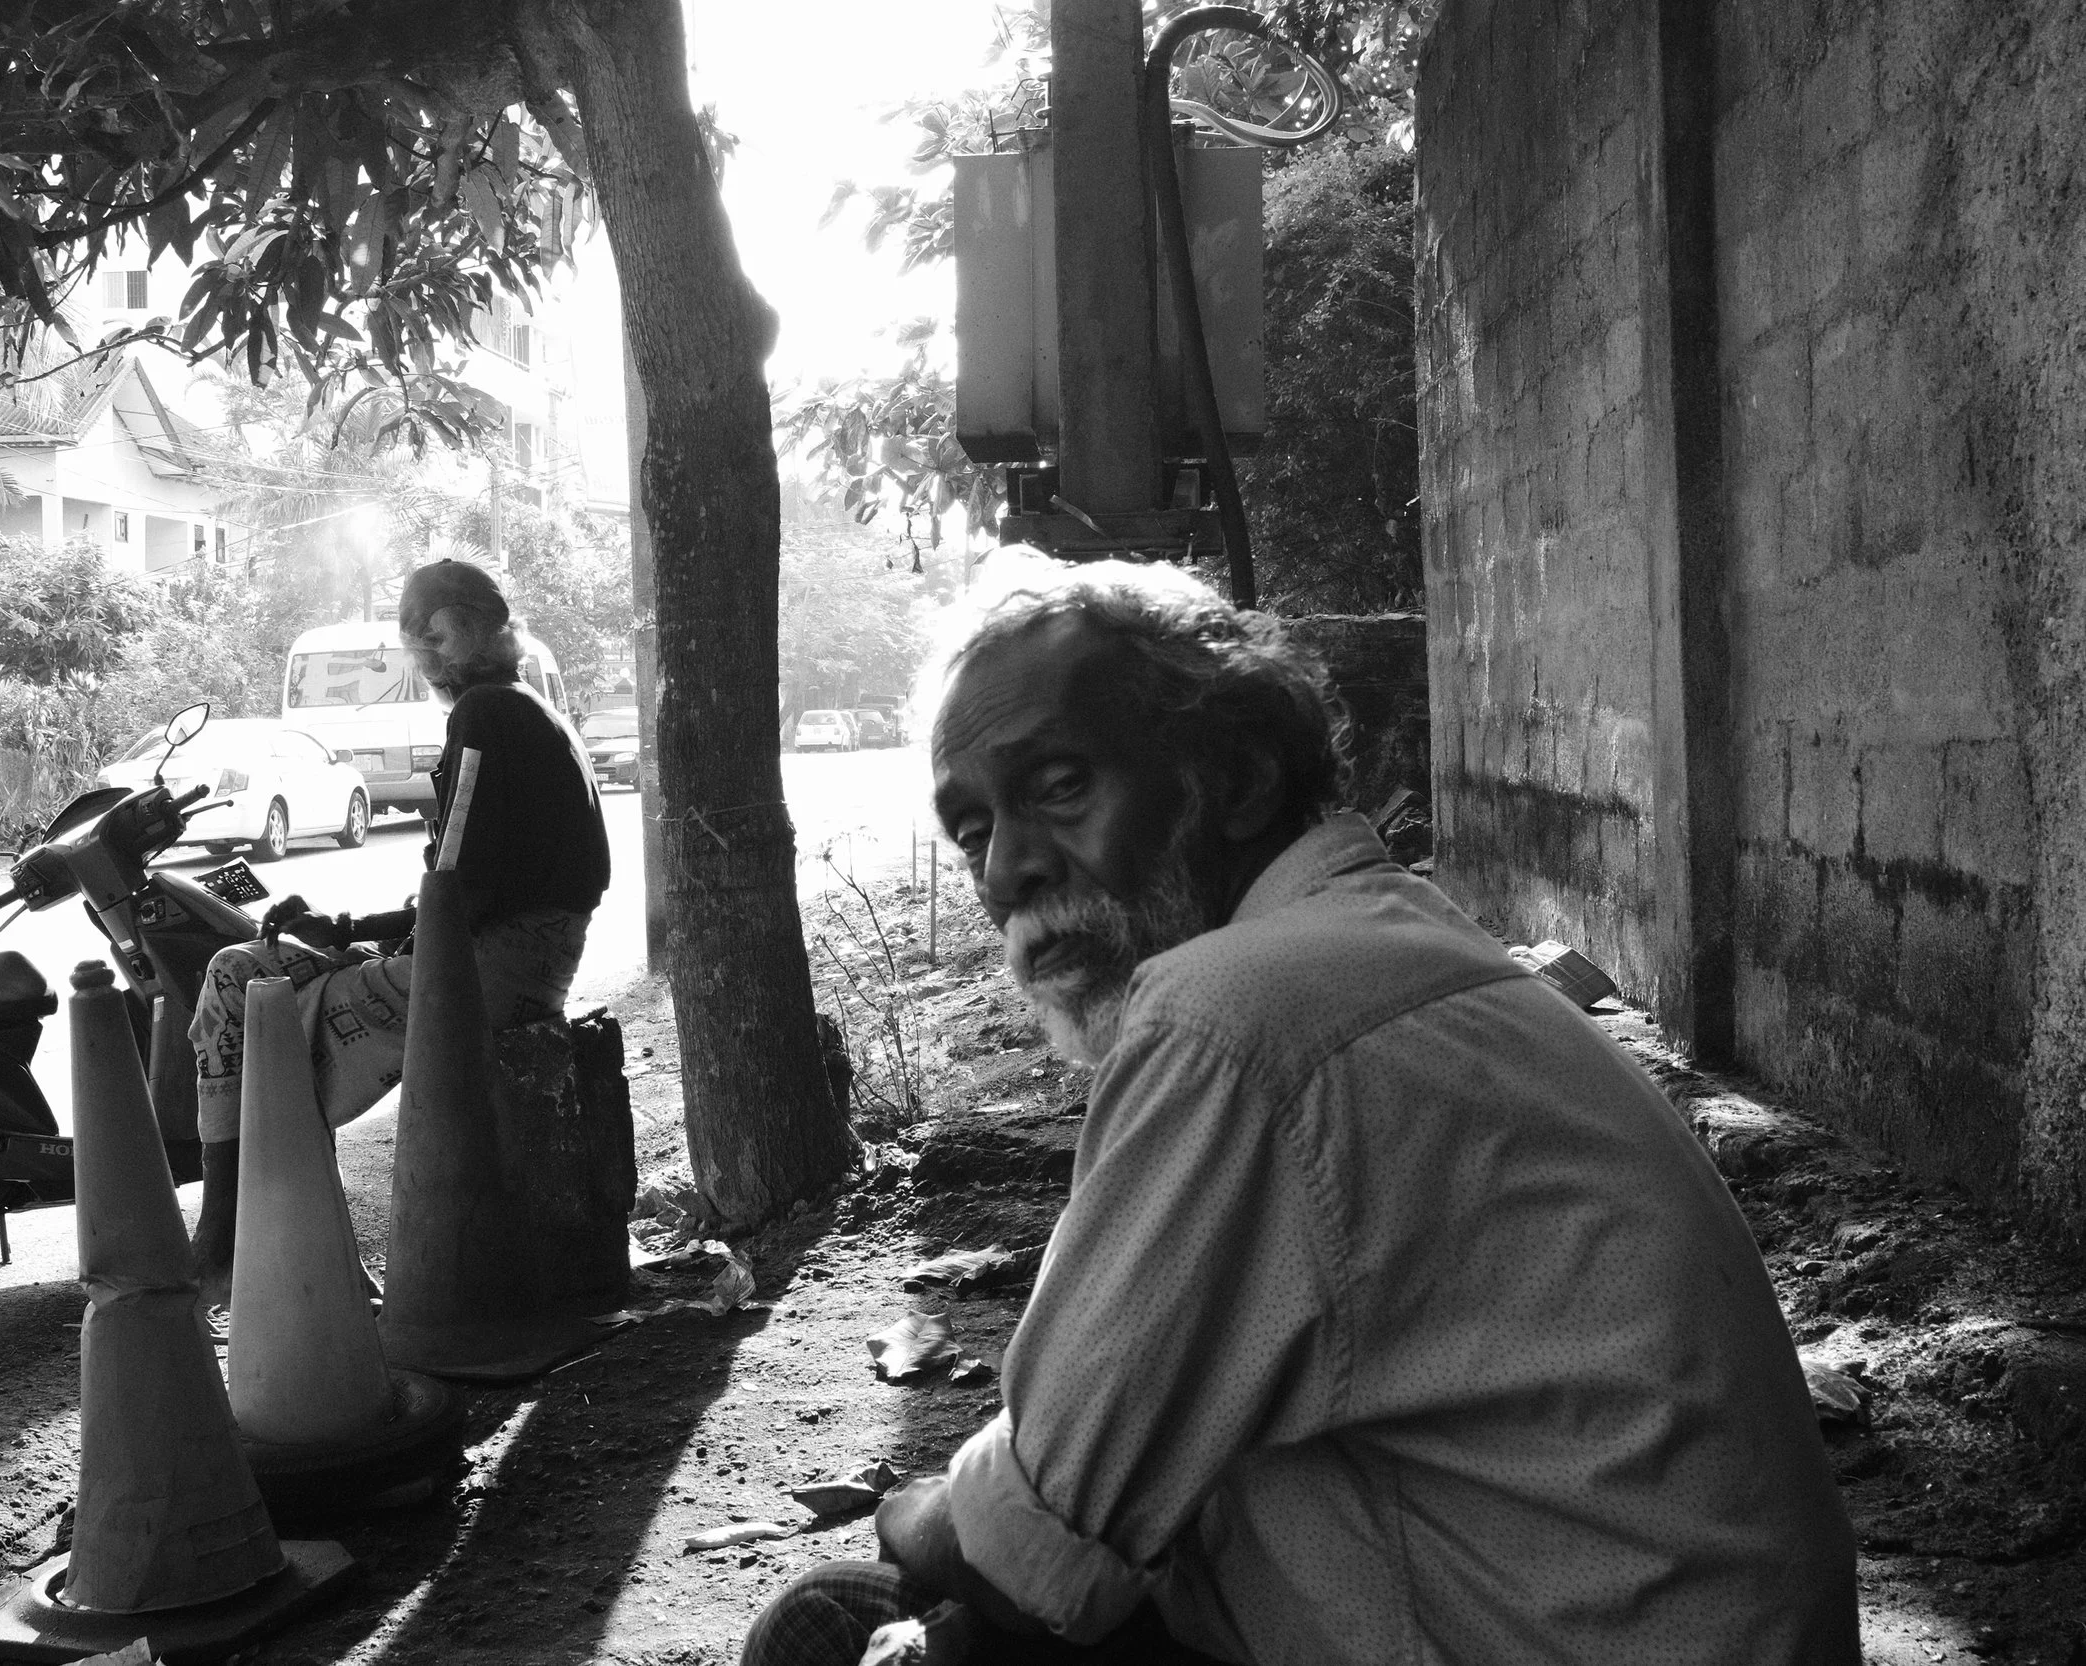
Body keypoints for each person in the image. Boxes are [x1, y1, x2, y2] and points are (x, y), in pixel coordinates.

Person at [742, 553, 1857, 1666]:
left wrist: (909, 1512)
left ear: (1234, 778)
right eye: (973, 828)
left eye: (1059, 788)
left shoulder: (1239, 1015)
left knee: (830, 1633)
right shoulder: (1382, 943)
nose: (1006, 874)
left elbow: (1022, 1545)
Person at [185, 559, 610, 1297]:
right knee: (249, 974)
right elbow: (468, 883)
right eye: (417, 638)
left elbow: (459, 887)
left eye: (434, 635)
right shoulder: (530, 712)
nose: (426, 652)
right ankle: (265, 1247)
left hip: (487, 973)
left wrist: (371, 939)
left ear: (477, 630)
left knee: (244, 993)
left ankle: (237, 1240)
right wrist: (348, 927)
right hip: (509, 958)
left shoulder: (484, 715)